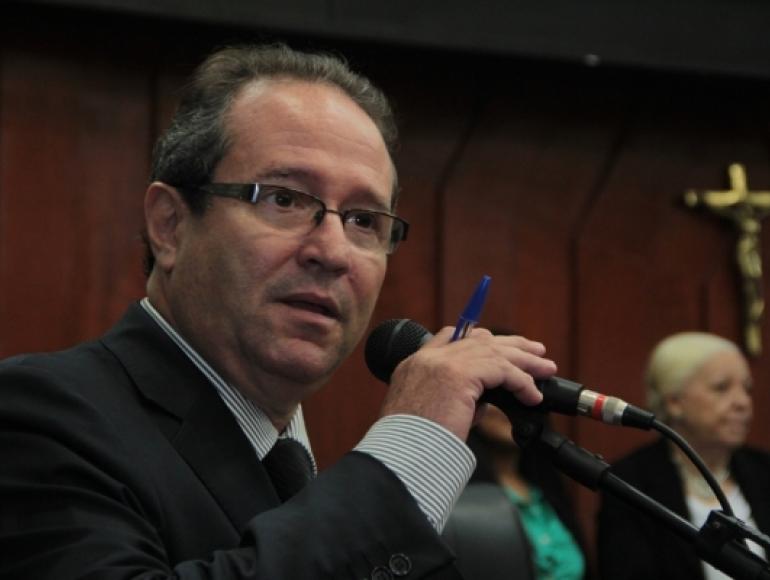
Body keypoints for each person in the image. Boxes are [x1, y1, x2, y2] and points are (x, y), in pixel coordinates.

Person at [0, 43, 557, 579]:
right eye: (284, 199)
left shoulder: (295, 465)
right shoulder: (38, 417)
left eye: (364, 220)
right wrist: (410, 447)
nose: (333, 252)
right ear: (170, 225)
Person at [596, 331, 770, 580]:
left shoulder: (763, 470)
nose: (743, 402)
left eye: (747, 389)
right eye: (722, 388)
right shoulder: (630, 483)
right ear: (674, 402)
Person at [459, 405, 588, 580]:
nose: (509, 409)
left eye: (517, 398)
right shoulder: (460, 496)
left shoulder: (546, 493)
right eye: (497, 397)